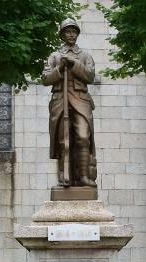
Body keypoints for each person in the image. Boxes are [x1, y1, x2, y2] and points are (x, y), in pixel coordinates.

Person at [42, 18, 97, 187]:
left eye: (74, 31)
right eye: (68, 31)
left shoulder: (85, 56)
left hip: (80, 100)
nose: (71, 34)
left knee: (82, 137)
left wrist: (73, 63)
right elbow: (45, 79)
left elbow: (90, 76)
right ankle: (64, 176)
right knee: (63, 140)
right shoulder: (55, 56)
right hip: (60, 100)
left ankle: (84, 177)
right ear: (62, 35)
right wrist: (59, 68)